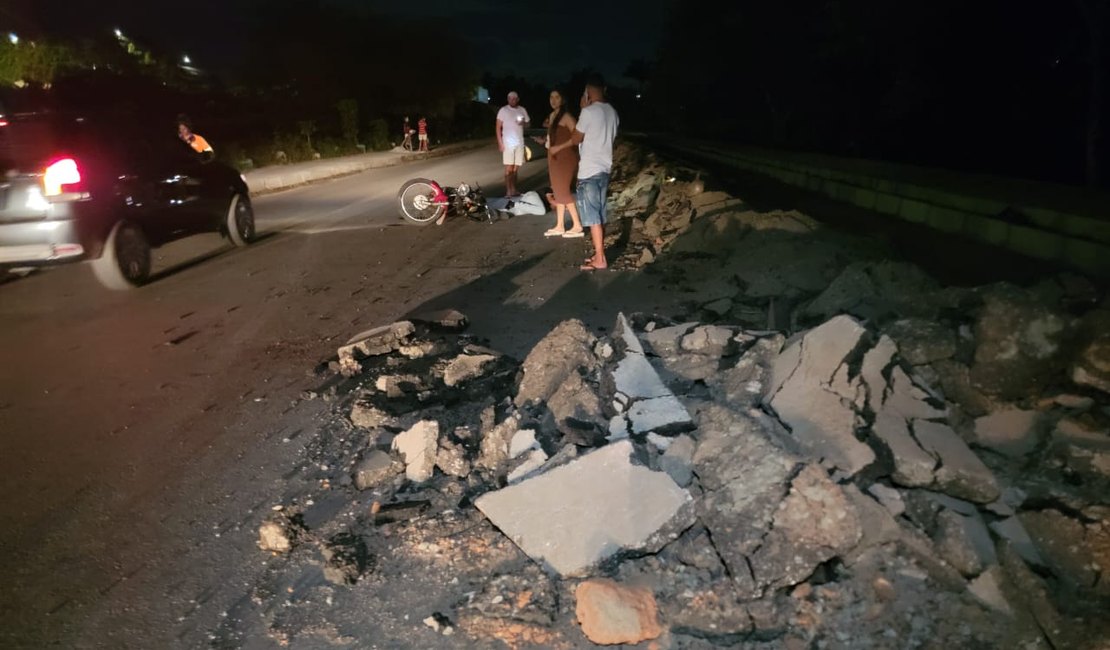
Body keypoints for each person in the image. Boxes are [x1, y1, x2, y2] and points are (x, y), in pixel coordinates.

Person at [547, 75, 618, 271]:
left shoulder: (588, 112)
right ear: (604, 89)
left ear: (587, 93)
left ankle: (600, 259)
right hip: (605, 168)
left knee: (593, 216)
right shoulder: (613, 112)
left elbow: (577, 138)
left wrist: (557, 147)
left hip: (589, 170)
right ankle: (599, 252)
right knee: (600, 214)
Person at [539, 89, 583, 238]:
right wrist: (546, 143)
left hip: (565, 157)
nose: (553, 100)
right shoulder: (552, 116)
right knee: (557, 191)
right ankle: (560, 225)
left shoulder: (566, 116)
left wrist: (560, 147)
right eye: (551, 97)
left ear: (563, 99)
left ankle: (577, 225)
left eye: (557, 97)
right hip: (554, 157)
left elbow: (578, 136)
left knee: (563, 191)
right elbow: (553, 138)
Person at [495, 91, 530, 197]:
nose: (512, 100)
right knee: (509, 168)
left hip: (519, 143)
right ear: (508, 99)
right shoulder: (503, 110)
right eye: (510, 98)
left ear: (518, 99)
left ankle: (514, 189)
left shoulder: (522, 110)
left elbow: (528, 124)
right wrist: (500, 143)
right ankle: (508, 191)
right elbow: (498, 127)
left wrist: (523, 123)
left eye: (514, 98)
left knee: (516, 168)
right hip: (508, 143)